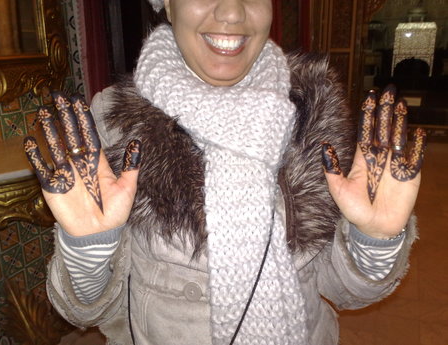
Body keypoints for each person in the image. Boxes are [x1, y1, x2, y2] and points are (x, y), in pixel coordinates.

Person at [23, 0, 426, 344]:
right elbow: (87, 310)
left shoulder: (313, 114)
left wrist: (373, 243)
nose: (232, 12)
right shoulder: (114, 126)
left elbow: (341, 291)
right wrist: (90, 251)